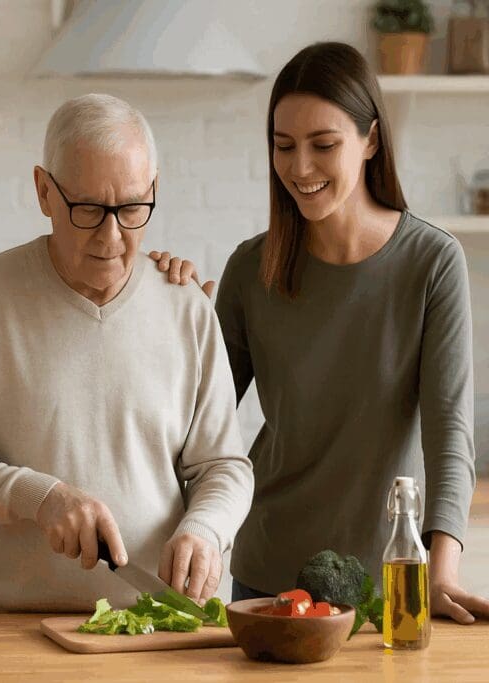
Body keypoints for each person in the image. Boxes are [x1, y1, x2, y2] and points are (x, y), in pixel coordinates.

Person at [156, 41, 488, 623]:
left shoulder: (432, 262)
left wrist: (440, 573)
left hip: (389, 577)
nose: (299, 168)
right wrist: (171, 320)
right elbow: (190, 425)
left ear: (372, 140)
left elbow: (449, 431)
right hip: (265, 580)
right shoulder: (250, 268)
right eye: (283, 146)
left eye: (323, 145)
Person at [0, 94, 254, 613]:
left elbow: (224, 466)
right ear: (43, 191)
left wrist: (206, 529)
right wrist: (39, 497)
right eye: (87, 210)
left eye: (131, 208)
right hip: (0, 624)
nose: (111, 236)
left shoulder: (187, 308)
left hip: (154, 625)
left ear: (153, 190)